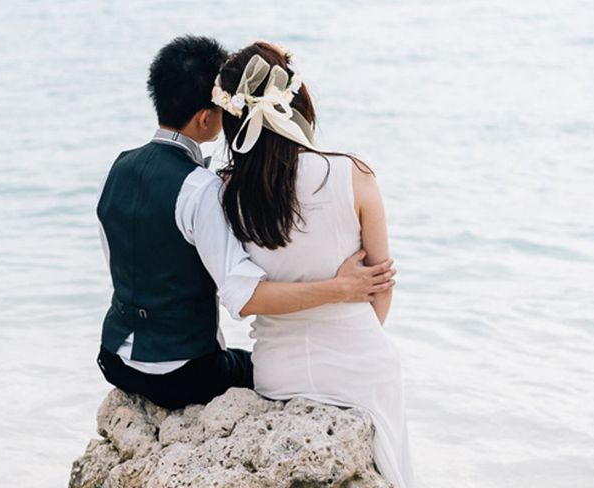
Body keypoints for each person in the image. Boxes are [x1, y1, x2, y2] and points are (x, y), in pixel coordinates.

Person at [95, 35, 396, 411]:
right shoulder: (201, 188)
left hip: (113, 359)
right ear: (207, 118)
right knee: (255, 368)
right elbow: (243, 294)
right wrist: (341, 288)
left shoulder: (120, 167)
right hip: (179, 373)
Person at [212, 41, 417, 488]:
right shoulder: (353, 174)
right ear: (299, 103)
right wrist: (350, 317)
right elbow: (380, 282)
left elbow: (241, 297)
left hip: (276, 374)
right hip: (362, 366)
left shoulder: (226, 192)